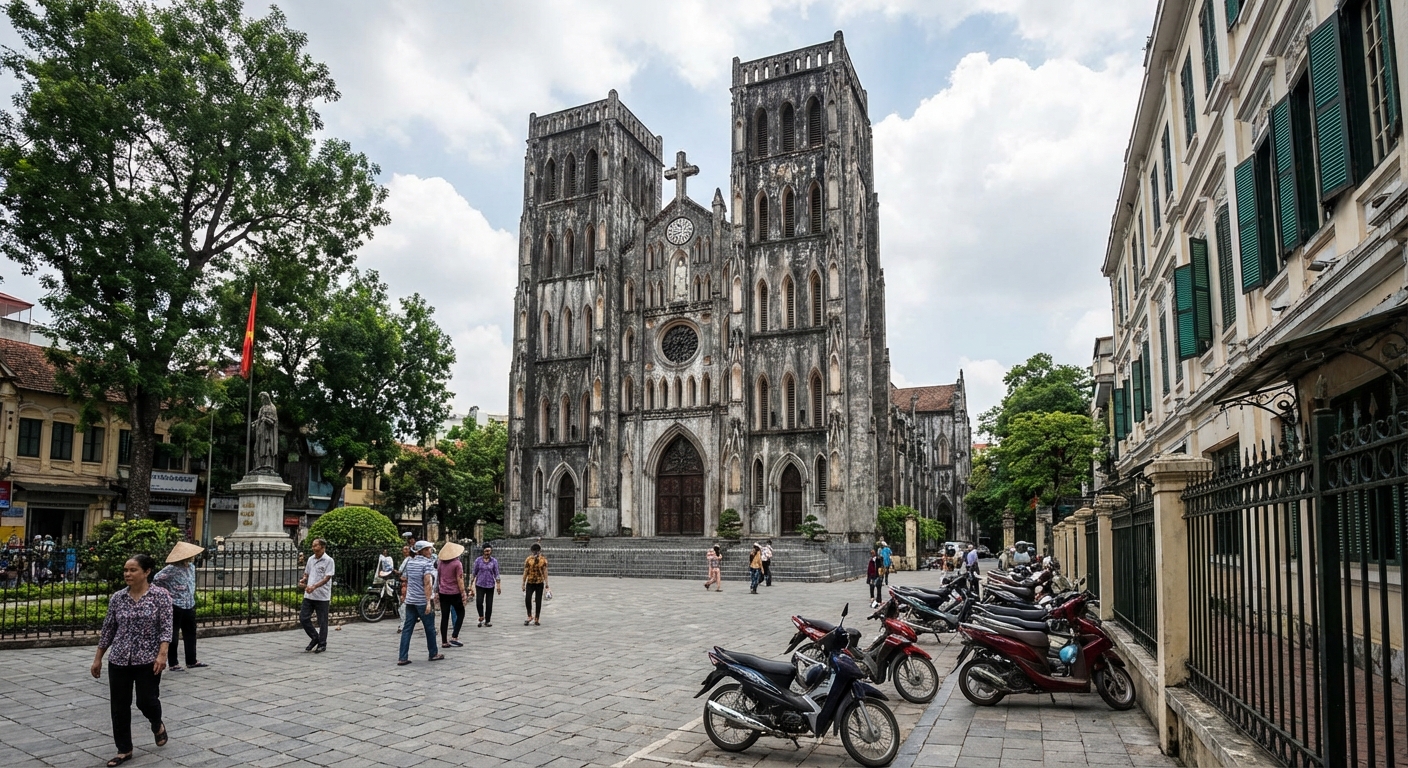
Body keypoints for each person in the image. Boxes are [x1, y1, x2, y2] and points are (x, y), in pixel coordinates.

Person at [91, 554, 172, 767]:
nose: (128, 574)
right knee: (119, 705)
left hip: (148, 659)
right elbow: (109, 628)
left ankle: (157, 723)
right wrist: (98, 658)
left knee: (146, 700)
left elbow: (166, 628)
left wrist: (162, 654)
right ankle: (124, 749)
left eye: (133, 570)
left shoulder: (160, 596)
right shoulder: (118, 598)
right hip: (119, 658)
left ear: (146, 572)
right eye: (126, 570)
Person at [152, 542, 206, 672]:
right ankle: (173, 663)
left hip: (189, 604)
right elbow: (156, 579)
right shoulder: (171, 569)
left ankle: (192, 660)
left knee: (191, 633)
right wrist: (167, 593)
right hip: (175, 605)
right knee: (173, 635)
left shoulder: (191, 567)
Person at [398, 541, 443, 665]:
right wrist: (428, 601)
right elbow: (427, 583)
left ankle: (402, 657)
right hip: (422, 600)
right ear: (422, 550)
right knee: (429, 628)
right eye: (428, 549)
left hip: (411, 600)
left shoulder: (410, 562)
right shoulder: (427, 564)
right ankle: (433, 653)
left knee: (407, 628)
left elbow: (406, 578)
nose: (430, 551)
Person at [297, 538, 335, 653]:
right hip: (309, 595)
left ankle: (322, 644)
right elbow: (307, 573)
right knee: (303, 618)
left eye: (315, 546)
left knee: (322, 621)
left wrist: (314, 586)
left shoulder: (329, 560)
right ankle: (315, 637)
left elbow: (327, 577)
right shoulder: (311, 559)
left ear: (322, 547)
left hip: (322, 595)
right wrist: (304, 580)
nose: (313, 548)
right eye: (312, 546)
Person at [436, 542, 466, 647]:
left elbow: (438, 577)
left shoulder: (440, 563)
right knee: (461, 612)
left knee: (444, 616)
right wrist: (463, 593)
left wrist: (437, 590)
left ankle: (444, 641)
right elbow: (460, 579)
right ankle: (454, 636)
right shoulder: (457, 563)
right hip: (454, 592)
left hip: (443, 592)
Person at [471, 544, 501, 627]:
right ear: (483, 551)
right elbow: (474, 572)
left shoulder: (494, 561)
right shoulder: (478, 560)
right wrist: (471, 584)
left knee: (489, 603)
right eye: (486, 551)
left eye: (489, 551)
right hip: (480, 584)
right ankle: (481, 616)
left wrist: (498, 585)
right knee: (479, 602)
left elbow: (496, 573)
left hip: (490, 585)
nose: (488, 553)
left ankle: (487, 620)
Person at [522, 543, 548, 625]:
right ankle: (529, 616)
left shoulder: (543, 560)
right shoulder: (529, 559)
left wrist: (547, 583)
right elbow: (525, 571)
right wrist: (523, 583)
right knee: (527, 598)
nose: (535, 552)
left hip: (539, 582)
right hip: (530, 582)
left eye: (537, 551)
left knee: (538, 600)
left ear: (539, 551)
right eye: (534, 551)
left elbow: (545, 572)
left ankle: (537, 618)